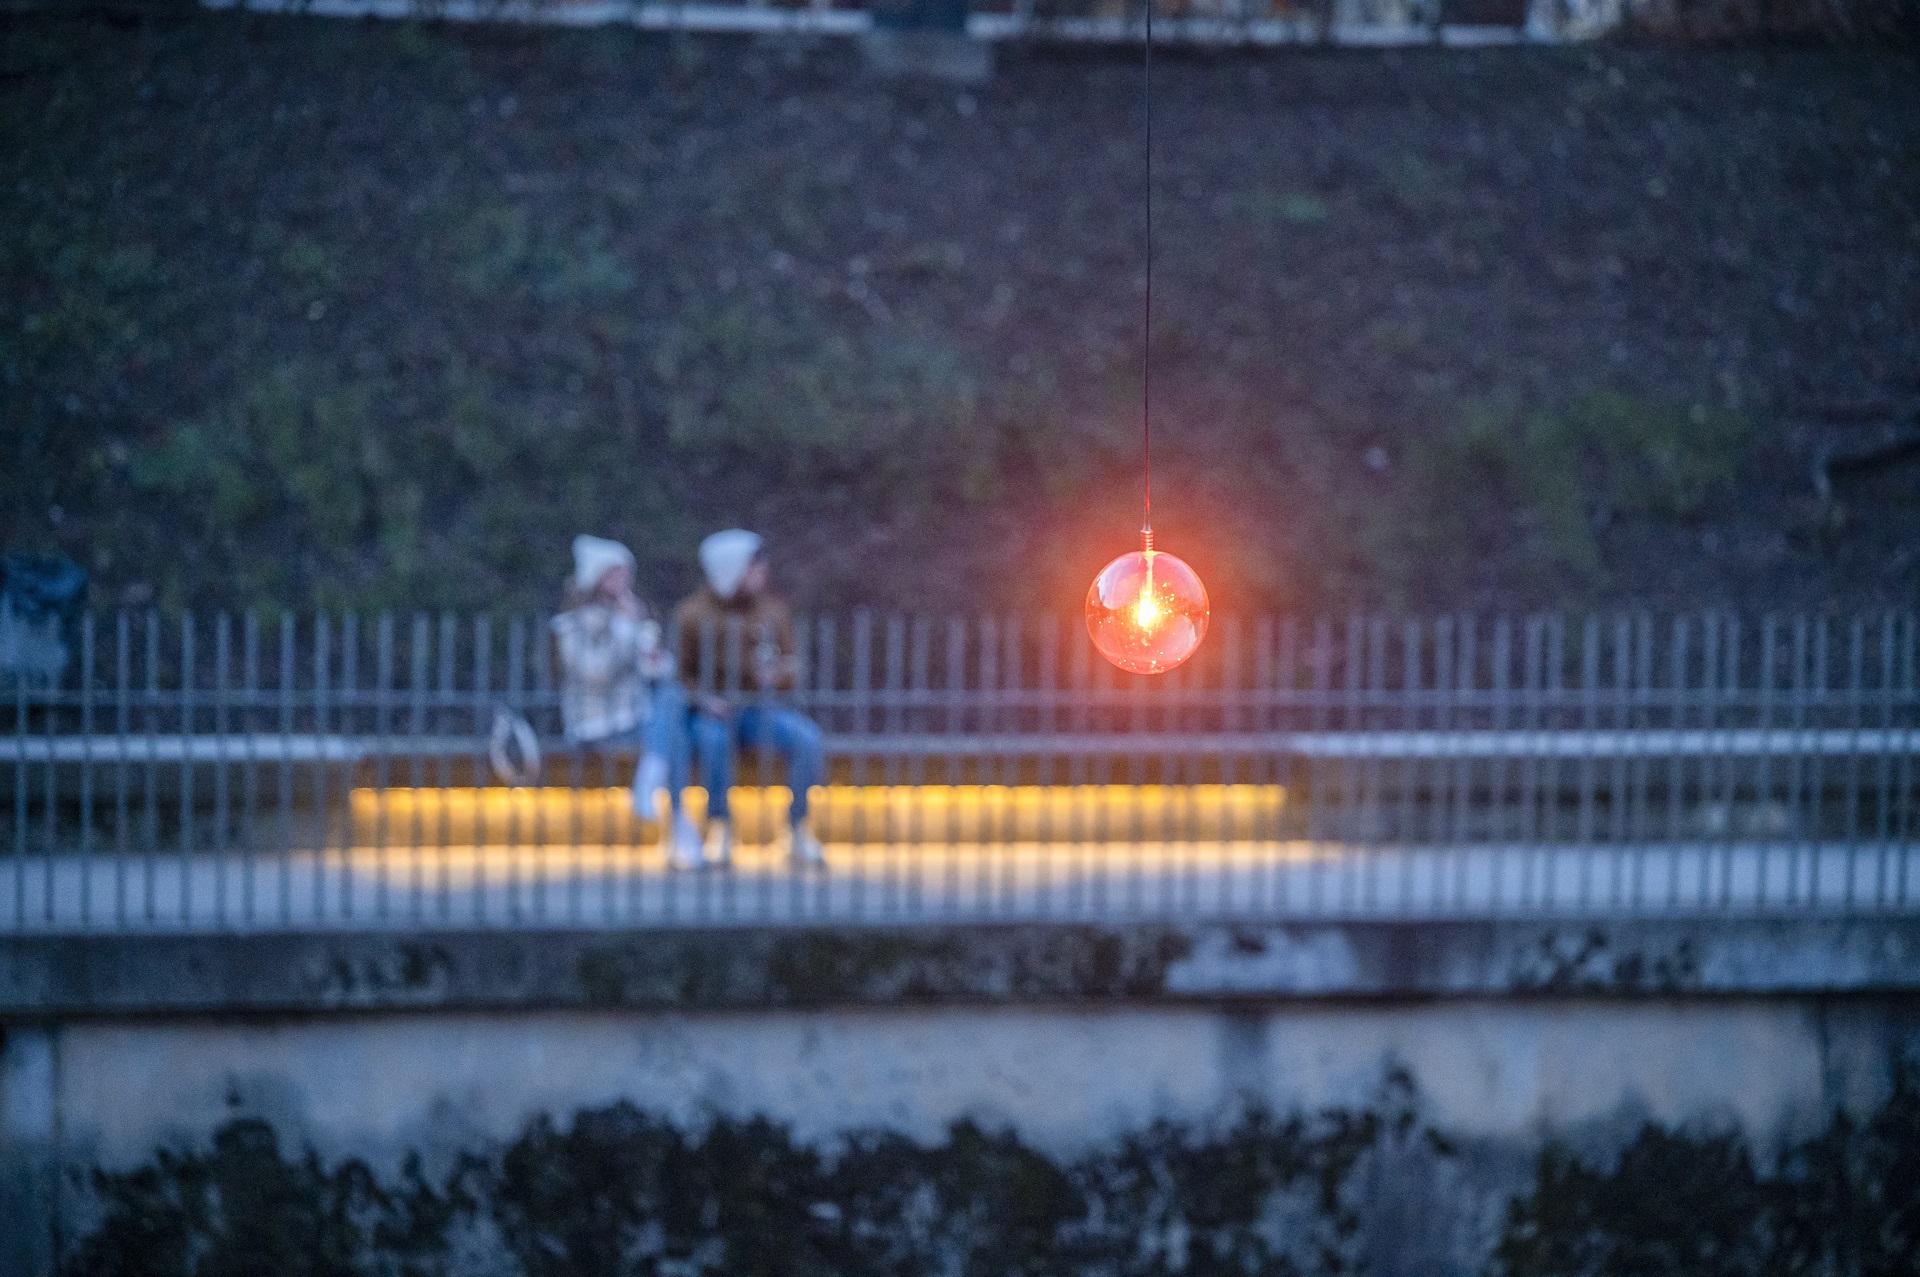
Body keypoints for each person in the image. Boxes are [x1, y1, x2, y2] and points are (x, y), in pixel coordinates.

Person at [674, 529, 825, 868]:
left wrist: (776, 675)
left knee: (807, 738)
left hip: (758, 709)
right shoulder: (692, 614)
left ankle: (797, 829)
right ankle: (720, 827)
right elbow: (678, 674)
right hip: (711, 712)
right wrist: (705, 700)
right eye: (753, 567)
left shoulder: (772, 611)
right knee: (712, 742)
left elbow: (793, 664)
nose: (762, 574)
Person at [550, 536, 703, 868]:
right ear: (595, 578)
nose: (622, 581)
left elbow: (658, 671)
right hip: (597, 724)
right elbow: (594, 673)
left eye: (624, 573)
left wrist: (654, 655)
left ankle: (655, 782)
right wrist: (626, 628)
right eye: (613, 574)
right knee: (673, 737)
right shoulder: (572, 624)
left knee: (673, 704)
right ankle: (678, 825)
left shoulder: (633, 615)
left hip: (634, 718)